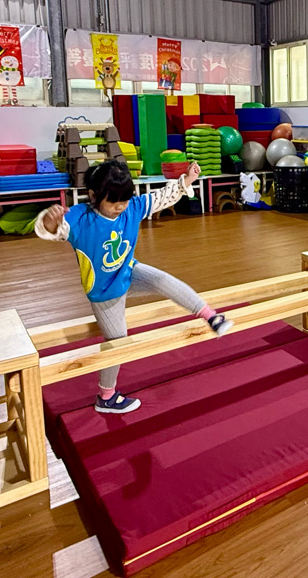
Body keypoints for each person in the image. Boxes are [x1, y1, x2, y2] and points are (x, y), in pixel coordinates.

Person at [35, 158, 232, 414]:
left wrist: (187, 180)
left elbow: (162, 197)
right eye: (113, 201)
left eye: (125, 200)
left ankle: (211, 316)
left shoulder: (133, 207)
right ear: (93, 196)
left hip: (128, 271)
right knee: (118, 341)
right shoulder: (80, 218)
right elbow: (50, 231)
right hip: (104, 292)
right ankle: (106, 397)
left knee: (163, 280)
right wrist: (50, 220)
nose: (120, 207)